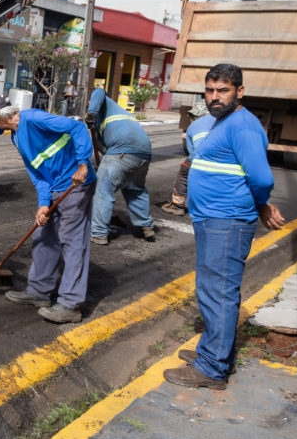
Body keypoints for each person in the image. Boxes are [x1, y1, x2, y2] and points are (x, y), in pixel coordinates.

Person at [164, 63, 285, 390]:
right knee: (211, 289)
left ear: (239, 92)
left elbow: (261, 178)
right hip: (213, 219)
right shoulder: (223, 121)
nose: (214, 97)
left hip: (227, 221)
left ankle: (212, 368)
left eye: (223, 90)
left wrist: (262, 204)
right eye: (210, 90)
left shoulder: (243, 127)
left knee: (217, 292)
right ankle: (214, 352)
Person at [0, 93, 95, 323]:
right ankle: (38, 292)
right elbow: (36, 172)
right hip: (53, 188)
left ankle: (70, 304)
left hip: (75, 184)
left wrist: (83, 163)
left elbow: (78, 127)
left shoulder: (34, 118)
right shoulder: (16, 136)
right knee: (43, 236)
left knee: (72, 242)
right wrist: (43, 203)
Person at [86, 88, 155, 245]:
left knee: (103, 191)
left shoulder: (103, 102)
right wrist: (106, 165)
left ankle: (98, 233)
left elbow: (99, 91)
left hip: (123, 150)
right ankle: (147, 227)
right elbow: (102, 147)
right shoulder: (114, 116)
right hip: (143, 153)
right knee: (135, 190)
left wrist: (91, 113)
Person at [160, 111, 215, 216]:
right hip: (224, 158)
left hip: (201, 158)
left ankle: (177, 205)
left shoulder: (193, 126)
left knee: (184, 173)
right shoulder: (221, 120)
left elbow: (192, 152)